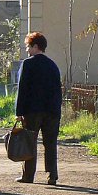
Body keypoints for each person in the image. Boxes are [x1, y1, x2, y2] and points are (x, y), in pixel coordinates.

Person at [14, 31, 62, 186]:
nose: (27, 50)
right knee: (50, 143)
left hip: (32, 110)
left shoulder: (28, 64)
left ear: (35, 46)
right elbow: (58, 90)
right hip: (52, 111)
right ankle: (52, 175)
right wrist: (57, 110)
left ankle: (28, 175)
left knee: (30, 142)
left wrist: (19, 112)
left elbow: (22, 89)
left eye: (28, 46)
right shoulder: (53, 65)